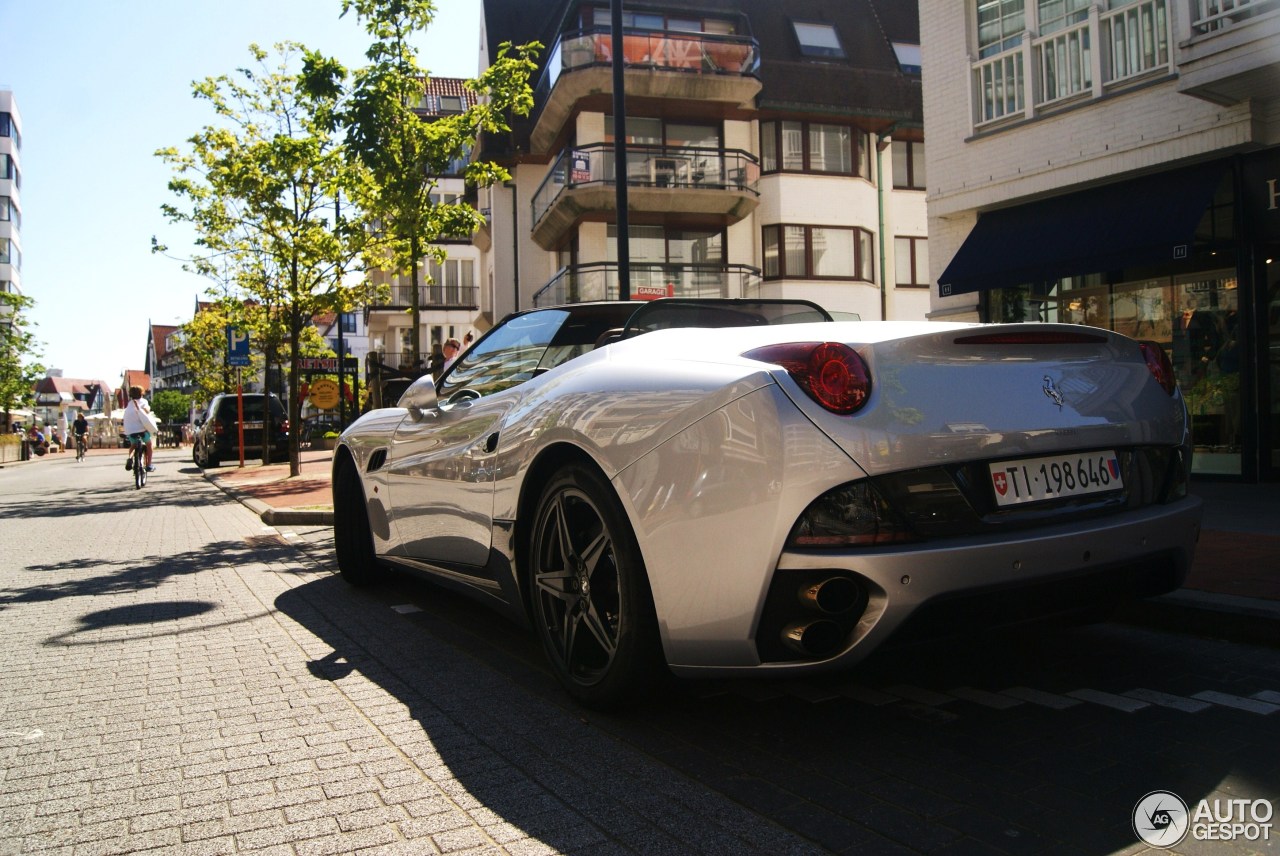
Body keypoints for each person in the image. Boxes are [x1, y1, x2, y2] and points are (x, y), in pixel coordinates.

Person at [121, 385, 156, 472]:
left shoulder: (129, 404)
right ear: (141, 393)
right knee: (149, 445)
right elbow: (146, 411)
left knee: (133, 445)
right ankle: (149, 465)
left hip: (130, 431)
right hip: (142, 430)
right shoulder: (143, 401)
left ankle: (130, 459)